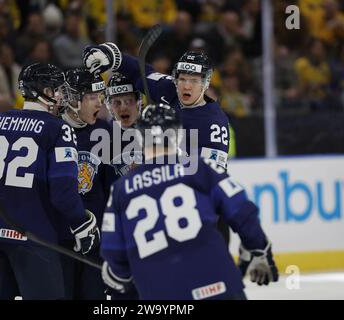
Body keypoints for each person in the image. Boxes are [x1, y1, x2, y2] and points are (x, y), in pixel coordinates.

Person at [0, 63, 100, 300]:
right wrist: (81, 224)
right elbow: (62, 191)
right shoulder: (58, 129)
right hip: (32, 241)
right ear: (44, 92)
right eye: (57, 90)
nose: (61, 95)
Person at [100, 103, 278, 300]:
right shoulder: (200, 169)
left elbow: (113, 251)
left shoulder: (122, 188)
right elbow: (242, 211)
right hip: (218, 286)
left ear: (140, 138)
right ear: (177, 134)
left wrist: (119, 274)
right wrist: (259, 249)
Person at [83, 42, 232, 245]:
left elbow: (210, 180)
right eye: (182, 79)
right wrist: (112, 55)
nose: (186, 86)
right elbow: (140, 72)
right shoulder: (169, 89)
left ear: (206, 83)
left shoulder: (213, 124)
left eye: (194, 81)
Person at [59, 67, 116, 299]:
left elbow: (112, 188)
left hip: (95, 241)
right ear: (73, 99)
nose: (99, 104)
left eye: (101, 97)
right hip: (60, 239)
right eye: (92, 97)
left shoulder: (104, 131)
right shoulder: (51, 130)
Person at [105, 73, 143, 177]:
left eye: (129, 101)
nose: (123, 108)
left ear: (138, 103)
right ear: (110, 107)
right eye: (117, 102)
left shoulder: (156, 131)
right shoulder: (104, 136)